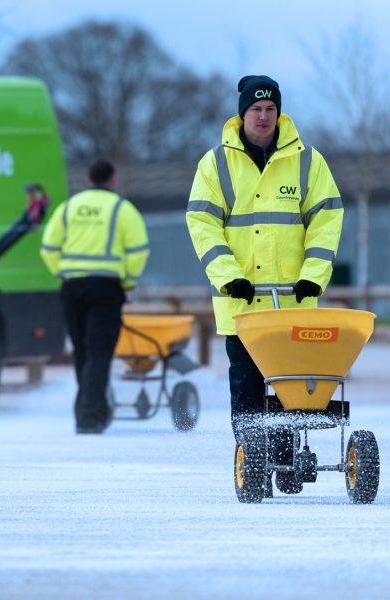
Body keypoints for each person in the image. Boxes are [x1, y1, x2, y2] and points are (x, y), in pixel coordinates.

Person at [185, 75, 343, 489]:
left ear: (279, 112)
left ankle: (287, 468)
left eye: (270, 108)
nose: (263, 115)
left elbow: (326, 222)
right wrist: (228, 276)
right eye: (255, 109)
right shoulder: (216, 163)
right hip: (241, 305)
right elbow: (202, 224)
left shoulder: (308, 161)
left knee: (291, 389)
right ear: (242, 113)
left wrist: (313, 277)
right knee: (248, 387)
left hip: (292, 303)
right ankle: (252, 468)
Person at [41, 160, 150, 434]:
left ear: (88, 179)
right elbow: (139, 250)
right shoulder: (122, 209)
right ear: (111, 180)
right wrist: (127, 281)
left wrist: (63, 273)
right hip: (106, 288)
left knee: (82, 351)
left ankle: (92, 410)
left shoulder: (68, 208)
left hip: (72, 288)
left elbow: (48, 248)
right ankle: (90, 416)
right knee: (99, 352)